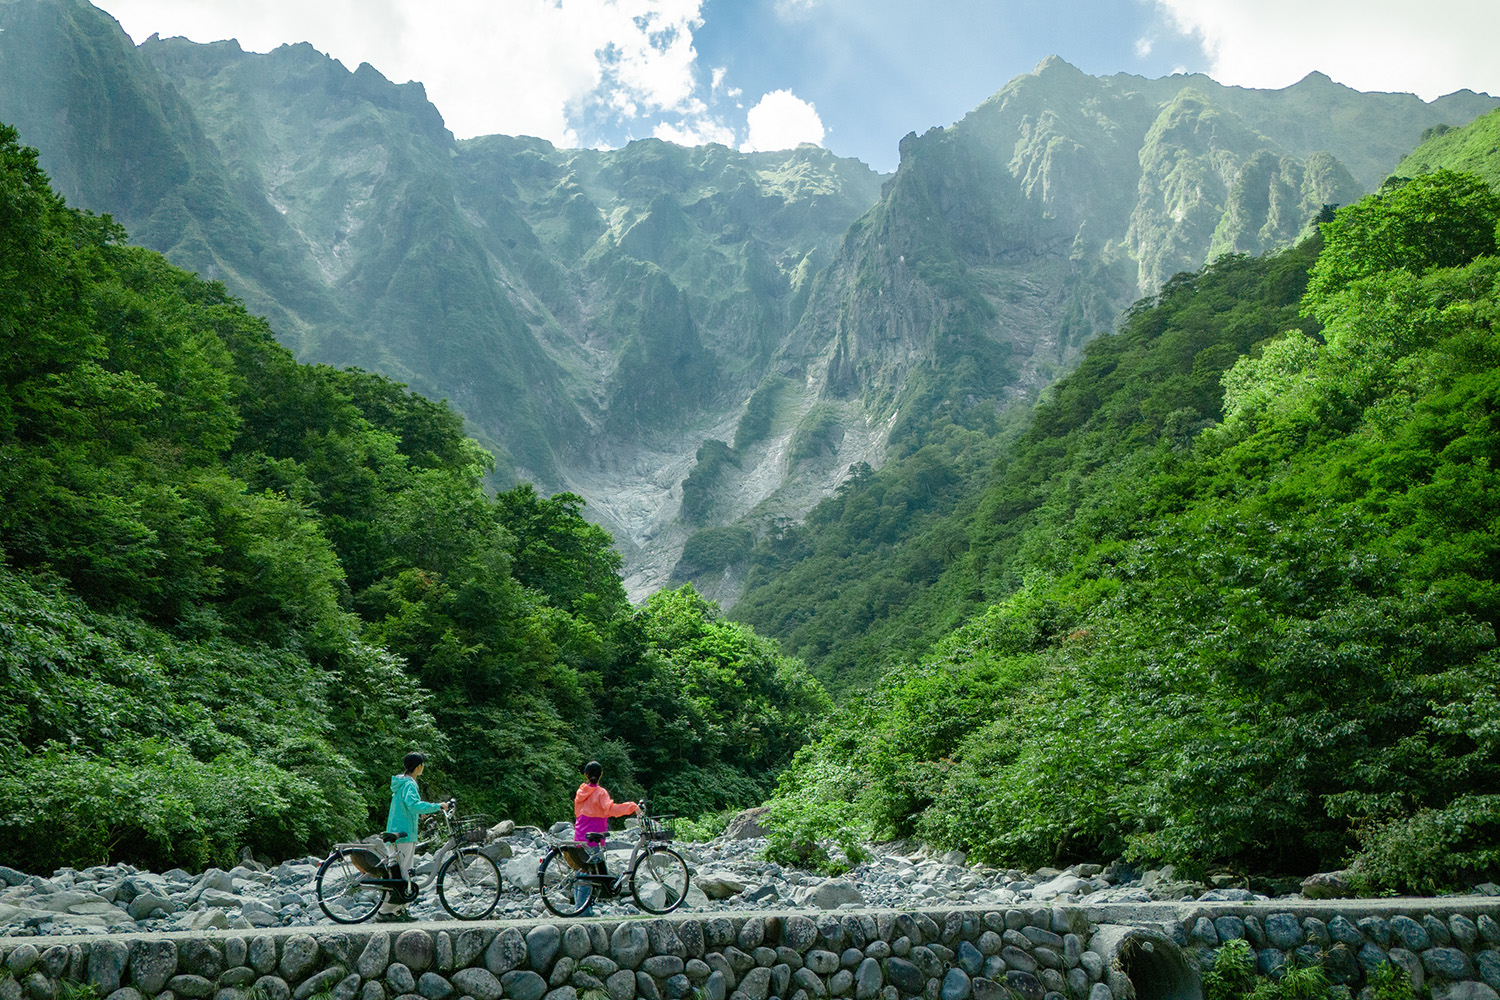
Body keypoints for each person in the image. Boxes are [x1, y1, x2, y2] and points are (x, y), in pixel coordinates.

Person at [382, 751, 448, 921]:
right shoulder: (409, 784)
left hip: (397, 829)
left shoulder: (402, 783)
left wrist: (419, 813)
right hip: (403, 834)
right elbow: (413, 805)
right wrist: (437, 806)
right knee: (403, 873)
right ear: (418, 767)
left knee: (398, 872)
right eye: (422, 765)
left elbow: (408, 807)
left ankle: (397, 910)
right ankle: (387, 911)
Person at [571, 760, 637, 914]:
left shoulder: (580, 792)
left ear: (586, 775)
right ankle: (583, 911)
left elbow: (577, 813)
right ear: (601, 774)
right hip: (594, 838)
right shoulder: (601, 793)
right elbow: (611, 809)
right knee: (589, 873)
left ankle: (580, 908)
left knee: (581, 871)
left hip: (579, 836)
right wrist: (632, 807)